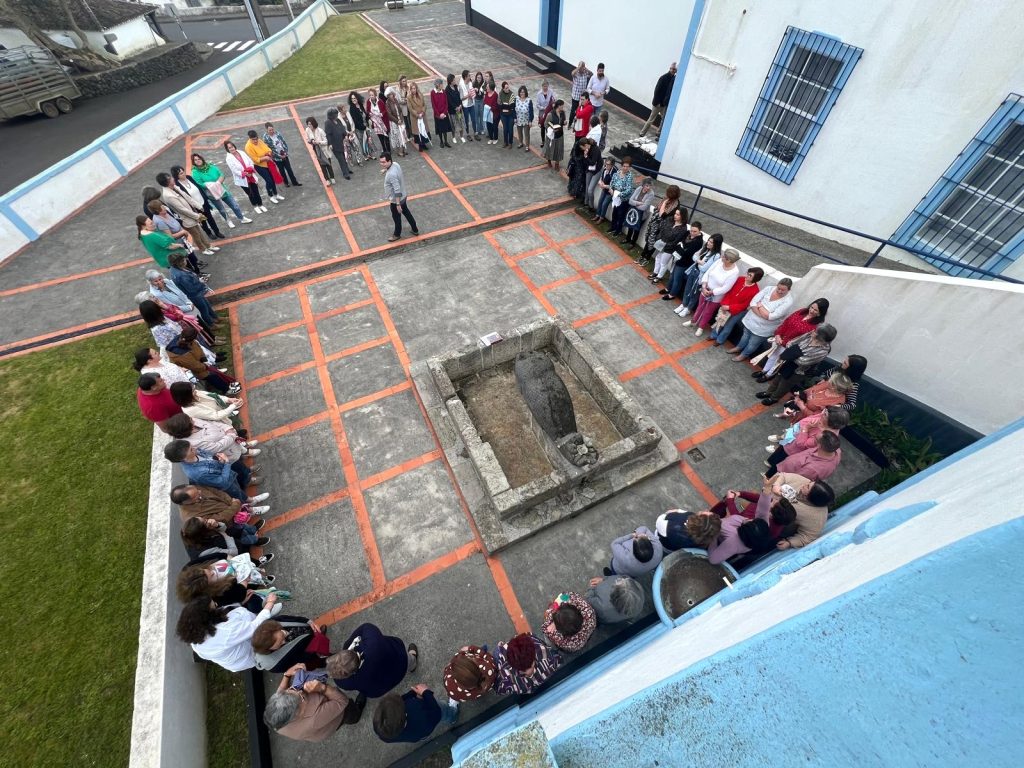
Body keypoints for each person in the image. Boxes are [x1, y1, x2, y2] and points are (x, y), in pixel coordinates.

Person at [264, 663, 367, 741]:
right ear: (298, 713)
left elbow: (281, 695)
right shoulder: (314, 720)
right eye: (301, 695)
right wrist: (323, 688)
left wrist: (286, 675)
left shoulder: (274, 717)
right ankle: (356, 714)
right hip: (336, 717)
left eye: (291, 689)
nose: (298, 689)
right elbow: (342, 701)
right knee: (349, 713)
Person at [177, 593, 278, 671]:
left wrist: (240, 602)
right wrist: (270, 603)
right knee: (246, 616)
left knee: (237, 612)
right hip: (252, 655)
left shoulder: (195, 640)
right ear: (208, 617)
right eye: (214, 606)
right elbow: (254, 627)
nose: (217, 605)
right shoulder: (223, 633)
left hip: (236, 663)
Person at [327, 622, 418, 698]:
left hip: (381, 687)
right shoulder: (373, 644)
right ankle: (413, 663)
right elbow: (366, 627)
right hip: (400, 661)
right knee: (408, 659)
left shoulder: (342, 683)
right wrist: (348, 644)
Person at [757, 324, 838, 405]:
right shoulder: (809, 335)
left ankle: (774, 398)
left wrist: (792, 352)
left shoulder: (823, 350)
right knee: (777, 378)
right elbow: (791, 343)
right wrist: (796, 353)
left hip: (798, 371)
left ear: (821, 337)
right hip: (788, 362)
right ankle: (768, 392)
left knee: (784, 385)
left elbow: (803, 361)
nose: (813, 331)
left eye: (816, 331)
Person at [754, 299, 830, 379]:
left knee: (779, 361)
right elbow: (787, 322)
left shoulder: (816, 326)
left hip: (790, 346)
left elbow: (803, 340)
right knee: (773, 356)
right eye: (811, 307)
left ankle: (768, 375)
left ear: (820, 313)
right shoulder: (801, 311)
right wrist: (778, 334)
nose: (811, 310)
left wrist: (786, 343)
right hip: (780, 339)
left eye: (815, 310)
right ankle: (764, 371)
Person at [163, 439, 257, 503]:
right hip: (227, 484)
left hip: (228, 475)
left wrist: (219, 460)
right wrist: (226, 464)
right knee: (237, 495)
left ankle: (248, 499)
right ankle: (250, 502)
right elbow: (222, 483)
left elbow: (210, 457)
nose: (195, 448)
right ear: (184, 459)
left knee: (239, 489)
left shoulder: (195, 452)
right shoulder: (197, 474)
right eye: (191, 450)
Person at [731, 278, 795, 361]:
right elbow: (753, 302)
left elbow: (771, 316)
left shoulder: (788, 302)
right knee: (745, 335)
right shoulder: (768, 289)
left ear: (789, 290)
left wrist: (760, 305)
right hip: (751, 320)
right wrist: (762, 313)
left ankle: (743, 355)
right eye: (778, 288)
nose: (779, 291)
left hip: (763, 328)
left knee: (752, 343)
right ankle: (738, 347)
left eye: (783, 290)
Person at [684, 249, 743, 336]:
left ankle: (701, 327)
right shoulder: (719, 262)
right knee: (700, 306)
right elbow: (708, 272)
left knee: (708, 312)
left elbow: (726, 287)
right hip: (705, 289)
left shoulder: (734, 272)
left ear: (729, 260)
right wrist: (704, 286)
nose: (721, 257)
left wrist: (712, 292)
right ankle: (693, 321)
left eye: (724, 257)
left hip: (716, 296)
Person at [158, 171, 216, 256]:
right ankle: (203, 249)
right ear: (167, 182)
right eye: (170, 178)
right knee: (196, 234)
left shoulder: (174, 187)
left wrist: (198, 206)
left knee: (199, 231)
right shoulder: (168, 195)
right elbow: (182, 209)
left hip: (192, 213)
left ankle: (208, 245)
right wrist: (197, 216)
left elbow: (187, 197)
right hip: (186, 218)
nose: (173, 179)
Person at [373, 685, 457, 743]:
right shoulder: (417, 710)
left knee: (422, 734)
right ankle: (452, 715)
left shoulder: (383, 732)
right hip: (427, 719)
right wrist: (426, 693)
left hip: (416, 735)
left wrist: (412, 693)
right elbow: (437, 713)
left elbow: (401, 701)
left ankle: (424, 736)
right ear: (405, 715)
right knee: (443, 709)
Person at [771, 473, 834, 549]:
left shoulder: (818, 518)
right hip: (767, 499)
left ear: (811, 498)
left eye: (807, 487)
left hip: (774, 521)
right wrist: (776, 485)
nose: (806, 484)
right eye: (810, 483)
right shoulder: (804, 481)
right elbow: (783, 476)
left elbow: (807, 537)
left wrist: (790, 543)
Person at [190, 153, 252, 227]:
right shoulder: (195, 172)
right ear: (193, 162)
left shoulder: (211, 166)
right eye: (195, 160)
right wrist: (212, 185)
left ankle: (242, 218)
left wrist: (218, 183)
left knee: (234, 205)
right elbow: (199, 183)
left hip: (222, 189)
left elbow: (221, 174)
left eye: (199, 159)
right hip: (212, 193)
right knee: (222, 209)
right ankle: (228, 221)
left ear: (201, 159)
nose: (198, 161)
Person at [493, 633, 562, 695]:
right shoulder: (547, 657)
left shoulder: (506, 680)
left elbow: (500, 689)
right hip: (540, 683)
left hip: (523, 689)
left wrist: (500, 648)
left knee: (498, 651)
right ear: (533, 652)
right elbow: (557, 659)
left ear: (511, 662)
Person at [707, 266, 764, 342]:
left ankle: (720, 340)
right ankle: (713, 335)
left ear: (756, 279)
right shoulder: (739, 279)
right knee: (720, 320)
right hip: (726, 305)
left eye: (750, 275)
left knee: (728, 326)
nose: (747, 276)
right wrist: (725, 304)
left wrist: (729, 307)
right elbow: (728, 291)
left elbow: (745, 305)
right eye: (748, 273)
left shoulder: (755, 290)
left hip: (738, 311)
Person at [252, 618, 331, 672]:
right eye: (280, 643)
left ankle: (316, 636)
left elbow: (292, 618)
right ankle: (330, 661)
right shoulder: (276, 665)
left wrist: (309, 622)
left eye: (282, 633)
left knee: (315, 638)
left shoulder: (270, 622)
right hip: (307, 654)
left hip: (304, 636)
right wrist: (315, 651)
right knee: (317, 660)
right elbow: (301, 662)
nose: (286, 636)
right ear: (270, 649)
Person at [171, 164, 224, 242]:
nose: (184, 174)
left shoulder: (189, 177)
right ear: (176, 176)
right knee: (202, 221)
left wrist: (205, 199)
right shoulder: (177, 185)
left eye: (183, 172)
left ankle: (217, 231)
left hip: (203, 202)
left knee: (210, 218)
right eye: (181, 173)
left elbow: (199, 188)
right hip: (194, 207)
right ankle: (209, 233)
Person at [797, 356, 868, 413]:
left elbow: (852, 404)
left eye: (845, 363)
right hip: (816, 393)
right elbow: (825, 374)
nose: (842, 363)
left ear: (852, 368)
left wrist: (836, 406)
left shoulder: (853, 384)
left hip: (823, 404)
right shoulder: (838, 368)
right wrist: (823, 379)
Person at [779, 370, 855, 423]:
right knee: (791, 427)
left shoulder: (835, 404)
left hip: (806, 421)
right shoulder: (826, 385)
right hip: (798, 413)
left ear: (834, 387)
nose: (828, 380)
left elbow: (817, 418)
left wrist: (802, 406)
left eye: (830, 381)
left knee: (794, 435)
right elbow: (811, 390)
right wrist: (800, 395)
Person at [180, 515, 267, 561]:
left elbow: (224, 528)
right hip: (229, 554)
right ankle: (254, 542)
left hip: (220, 539)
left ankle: (253, 532)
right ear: (203, 531)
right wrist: (225, 535)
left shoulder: (192, 534)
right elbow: (233, 552)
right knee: (238, 542)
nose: (208, 519)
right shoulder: (204, 551)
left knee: (235, 528)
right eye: (205, 521)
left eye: (204, 518)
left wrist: (217, 525)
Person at [172, 482, 267, 523]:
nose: (200, 492)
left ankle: (251, 508)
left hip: (231, 503)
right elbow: (220, 518)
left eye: (197, 490)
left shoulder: (193, 489)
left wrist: (230, 501)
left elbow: (216, 491)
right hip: (231, 519)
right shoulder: (192, 516)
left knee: (242, 506)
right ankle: (251, 513)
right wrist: (234, 505)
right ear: (186, 502)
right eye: (196, 495)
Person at [167, 253, 218, 328]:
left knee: (206, 305)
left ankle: (215, 317)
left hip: (196, 293)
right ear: (180, 262)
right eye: (184, 260)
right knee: (204, 309)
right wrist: (201, 282)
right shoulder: (181, 275)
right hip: (195, 295)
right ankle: (211, 324)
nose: (186, 260)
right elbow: (191, 289)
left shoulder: (175, 269)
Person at [768, 431, 842, 481]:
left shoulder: (813, 469)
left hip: (783, 475)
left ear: (819, 446)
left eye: (815, 439)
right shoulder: (836, 450)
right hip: (784, 467)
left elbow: (794, 479)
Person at [675, 229, 720, 312]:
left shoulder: (716, 256)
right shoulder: (705, 248)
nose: (709, 243)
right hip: (693, 270)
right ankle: (684, 304)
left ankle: (688, 308)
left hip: (700, 276)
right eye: (709, 241)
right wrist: (700, 261)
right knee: (687, 289)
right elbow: (694, 256)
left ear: (716, 245)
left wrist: (698, 261)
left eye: (712, 242)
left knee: (694, 293)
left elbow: (704, 268)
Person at [380, 153, 419, 243]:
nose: (382, 164)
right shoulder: (395, 164)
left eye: (384, 162)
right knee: (406, 212)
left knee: (396, 217)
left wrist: (397, 204)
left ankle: (397, 234)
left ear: (389, 161)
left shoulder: (391, 175)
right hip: (404, 196)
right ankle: (415, 229)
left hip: (396, 200)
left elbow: (397, 190)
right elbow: (391, 169)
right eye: (381, 162)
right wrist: (385, 170)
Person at [662, 223, 706, 301]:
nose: (692, 233)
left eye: (695, 231)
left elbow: (689, 253)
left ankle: (672, 294)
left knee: (677, 279)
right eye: (691, 230)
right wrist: (681, 248)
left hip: (685, 262)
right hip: (677, 258)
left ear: (700, 231)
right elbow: (679, 243)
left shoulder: (699, 241)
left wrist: (681, 247)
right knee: (672, 275)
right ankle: (668, 288)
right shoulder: (687, 233)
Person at [169, 381, 243, 427]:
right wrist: (233, 406)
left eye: (194, 388)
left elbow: (213, 396)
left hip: (223, 414)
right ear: (186, 395)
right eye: (193, 391)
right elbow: (216, 416)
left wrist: (228, 400)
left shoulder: (195, 394)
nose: (196, 391)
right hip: (220, 423)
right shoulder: (190, 410)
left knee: (233, 424)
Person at [224, 140, 266, 213]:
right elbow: (234, 170)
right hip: (243, 177)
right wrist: (246, 173)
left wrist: (250, 170)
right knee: (250, 193)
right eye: (229, 148)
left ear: (234, 146)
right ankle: (255, 206)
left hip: (250, 175)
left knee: (256, 191)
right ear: (227, 149)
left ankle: (260, 204)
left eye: (232, 147)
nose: (232, 149)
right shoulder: (229, 158)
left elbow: (250, 161)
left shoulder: (241, 152)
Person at [642, 185, 682, 260]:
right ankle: (643, 255)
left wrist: (664, 203)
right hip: (654, 222)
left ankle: (646, 258)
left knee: (653, 241)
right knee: (649, 238)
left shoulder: (675, 204)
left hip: (662, 226)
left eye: (668, 192)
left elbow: (662, 215)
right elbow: (656, 208)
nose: (666, 194)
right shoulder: (666, 198)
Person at [654, 509, 723, 551]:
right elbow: (683, 512)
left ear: (698, 520)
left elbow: (658, 521)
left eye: (704, 512)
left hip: (664, 545)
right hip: (675, 549)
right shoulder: (704, 537)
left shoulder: (671, 527)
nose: (705, 510)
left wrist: (669, 513)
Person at [640, 62, 677, 137]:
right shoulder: (663, 77)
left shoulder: (673, 79)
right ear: (669, 69)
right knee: (651, 120)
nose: (673, 70)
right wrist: (657, 102)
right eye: (672, 69)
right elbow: (657, 90)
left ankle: (658, 133)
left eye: (674, 69)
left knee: (664, 119)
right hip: (658, 104)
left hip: (664, 104)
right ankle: (642, 133)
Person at [244, 129, 283, 203]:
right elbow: (255, 159)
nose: (255, 141)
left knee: (272, 178)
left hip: (268, 163)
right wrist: (265, 158)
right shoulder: (248, 147)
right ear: (250, 138)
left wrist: (269, 152)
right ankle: (271, 195)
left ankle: (276, 194)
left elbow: (267, 148)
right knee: (269, 181)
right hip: (259, 166)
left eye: (256, 139)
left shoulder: (260, 141)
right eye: (253, 140)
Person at [261, 123, 300, 187]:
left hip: (284, 154)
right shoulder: (266, 138)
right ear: (267, 130)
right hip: (277, 158)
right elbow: (269, 149)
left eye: (272, 129)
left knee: (289, 169)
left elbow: (283, 142)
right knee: (282, 170)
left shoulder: (278, 134)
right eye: (270, 130)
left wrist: (285, 152)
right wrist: (279, 156)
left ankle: (294, 182)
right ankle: (286, 182)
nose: (272, 131)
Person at [621, 176, 655, 249]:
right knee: (630, 226)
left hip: (642, 215)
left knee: (636, 229)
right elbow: (630, 200)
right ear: (643, 185)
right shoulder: (639, 188)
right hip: (633, 212)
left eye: (650, 186)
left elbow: (644, 208)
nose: (648, 188)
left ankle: (633, 243)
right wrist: (638, 203)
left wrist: (634, 203)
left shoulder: (651, 194)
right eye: (647, 185)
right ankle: (628, 239)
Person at [607, 157, 637, 235]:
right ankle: (613, 227)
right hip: (615, 197)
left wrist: (619, 194)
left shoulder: (629, 176)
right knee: (614, 213)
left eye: (627, 166)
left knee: (621, 215)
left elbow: (629, 190)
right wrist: (611, 189)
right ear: (621, 166)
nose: (625, 168)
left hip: (623, 200)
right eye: (624, 166)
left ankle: (618, 230)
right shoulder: (617, 173)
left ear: (630, 167)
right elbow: (612, 183)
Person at [323, 108, 354, 181]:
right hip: (335, 145)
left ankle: (347, 169)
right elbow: (328, 134)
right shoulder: (328, 123)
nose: (336, 116)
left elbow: (342, 129)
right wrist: (330, 144)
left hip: (343, 143)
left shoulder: (338, 120)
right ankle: (345, 173)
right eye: (335, 114)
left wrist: (345, 135)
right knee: (341, 159)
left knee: (345, 157)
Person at [303, 117, 335, 186]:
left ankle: (332, 177)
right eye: (308, 124)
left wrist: (318, 142)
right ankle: (327, 179)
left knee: (328, 164)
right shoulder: (307, 130)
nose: (309, 126)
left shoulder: (320, 131)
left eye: (310, 124)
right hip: (316, 150)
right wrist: (311, 141)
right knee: (322, 165)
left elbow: (326, 141)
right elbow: (307, 139)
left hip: (324, 150)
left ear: (313, 124)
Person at [347, 91, 376, 160]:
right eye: (352, 98)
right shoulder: (352, 109)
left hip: (365, 126)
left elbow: (365, 114)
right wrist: (364, 127)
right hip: (359, 129)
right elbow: (356, 121)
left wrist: (368, 119)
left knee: (369, 140)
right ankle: (365, 155)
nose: (353, 99)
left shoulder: (360, 105)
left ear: (357, 98)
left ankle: (370, 154)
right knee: (362, 142)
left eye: (354, 98)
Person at [543, 99, 567, 170]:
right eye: (562, 106)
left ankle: (557, 163)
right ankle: (549, 161)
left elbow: (562, 122)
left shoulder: (562, 113)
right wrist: (552, 129)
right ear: (558, 106)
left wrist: (564, 122)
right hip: (552, 136)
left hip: (560, 135)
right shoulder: (550, 114)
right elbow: (546, 124)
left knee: (559, 150)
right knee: (550, 149)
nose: (563, 108)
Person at [430, 78, 453, 148]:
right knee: (440, 129)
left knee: (445, 128)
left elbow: (446, 103)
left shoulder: (444, 91)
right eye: (441, 84)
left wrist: (444, 113)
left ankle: (446, 141)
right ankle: (441, 141)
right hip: (437, 115)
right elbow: (433, 105)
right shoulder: (432, 93)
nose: (442, 85)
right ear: (438, 85)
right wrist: (439, 114)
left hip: (444, 114)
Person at [407, 81, 430, 152]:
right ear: (410, 89)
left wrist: (422, 112)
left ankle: (424, 143)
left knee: (423, 129)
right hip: (415, 117)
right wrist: (417, 115)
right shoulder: (409, 97)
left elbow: (424, 104)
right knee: (418, 131)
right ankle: (420, 145)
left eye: (415, 88)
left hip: (422, 115)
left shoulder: (420, 94)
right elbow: (410, 108)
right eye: (412, 89)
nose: (414, 90)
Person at [592, 157, 617, 222]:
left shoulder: (614, 173)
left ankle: (601, 217)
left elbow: (613, 185)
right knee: (600, 202)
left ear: (612, 165)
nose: (606, 165)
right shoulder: (605, 169)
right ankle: (597, 215)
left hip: (610, 191)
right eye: (606, 164)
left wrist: (604, 186)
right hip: (604, 189)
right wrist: (600, 182)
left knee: (604, 204)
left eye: (608, 164)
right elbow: (601, 178)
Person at [458, 70, 480, 139]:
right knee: (467, 120)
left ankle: (475, 133)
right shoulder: (461, 85)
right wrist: (468, 95)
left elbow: (471, 90)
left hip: (471, 104)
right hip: (465, 106)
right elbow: (461, 98)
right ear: (465, 77)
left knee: (474, 119)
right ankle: (468, 134)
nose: (470, 76)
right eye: (469, 75)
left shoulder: (470, 83)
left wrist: (474, 90)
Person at [583, 136, 604, 209]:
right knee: (587, 187)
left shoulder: (595, 150)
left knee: (590, 190)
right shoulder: (587, 149)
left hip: (597, 170)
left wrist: (586, 156)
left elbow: (592, 162)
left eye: (585, 146)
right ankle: (586, 203)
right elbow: (586, 162)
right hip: (589, 169)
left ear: (588, 145)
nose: (584, 148)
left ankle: (591, 205)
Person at [386, 90, 408, 157]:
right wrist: (397, 121)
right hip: (394, 123)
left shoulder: (396, 100)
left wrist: (401, 119)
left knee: (403, 135)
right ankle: (400, 151)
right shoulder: (387, 103)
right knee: (398, 136)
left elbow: (400, 110)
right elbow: (389, 114)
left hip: (400, 121)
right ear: (388, 96)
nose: (392, 96)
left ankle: (403, 149)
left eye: (392, 94)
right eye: (390, 94)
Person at [535, 79, 556, 148]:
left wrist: (551, 106)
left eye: (546, 86)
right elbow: (537, 105)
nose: (545, 87)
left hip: (549, 113)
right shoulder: (539, 94)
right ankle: (543, 141)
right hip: (542, 113)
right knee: (542, 127)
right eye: (544, 86)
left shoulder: (551, 92)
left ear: (548, 86)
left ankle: (548, 140)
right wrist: (544, 108)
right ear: (542, 86)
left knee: (549, 127)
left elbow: (554, 100)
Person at [444, 74, 464, 144]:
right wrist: (456, 107)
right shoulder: (447, 89)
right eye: (454, 80)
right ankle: (453, 137)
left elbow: (459, 96)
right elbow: (449, 101)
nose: (455, 81)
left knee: (461, 122)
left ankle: (461, 136)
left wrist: (460, 105)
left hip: (459, 109)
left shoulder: (456, 87)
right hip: (452, 111)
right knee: (453, 124)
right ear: (450, 81)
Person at [514, 85, 534, 150]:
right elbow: (513, 109)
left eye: (523, 92)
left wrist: (530, 121)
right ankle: (520, 143)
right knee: (519, 133)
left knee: (526, 134)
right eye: (521, 92)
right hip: (518, 119)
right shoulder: (516, 99)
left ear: (525, 92)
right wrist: (514, 118)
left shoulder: (529, 100)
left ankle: (527, 146)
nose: (522, 93)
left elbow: (531, 112)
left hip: (526, 120)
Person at [497, 81, 515, 147]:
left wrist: (504, 105)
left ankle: (510, 143)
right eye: (506, 88)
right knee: (505, 129)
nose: (508, 89)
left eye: (508, 87)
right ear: (503, 88)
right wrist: (506, 106)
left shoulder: (512, 94)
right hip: (503, 115)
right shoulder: (500, 94)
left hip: (510, 115)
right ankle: (505, 142)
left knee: (510, 129)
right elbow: (499, 105)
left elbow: (512, 106)